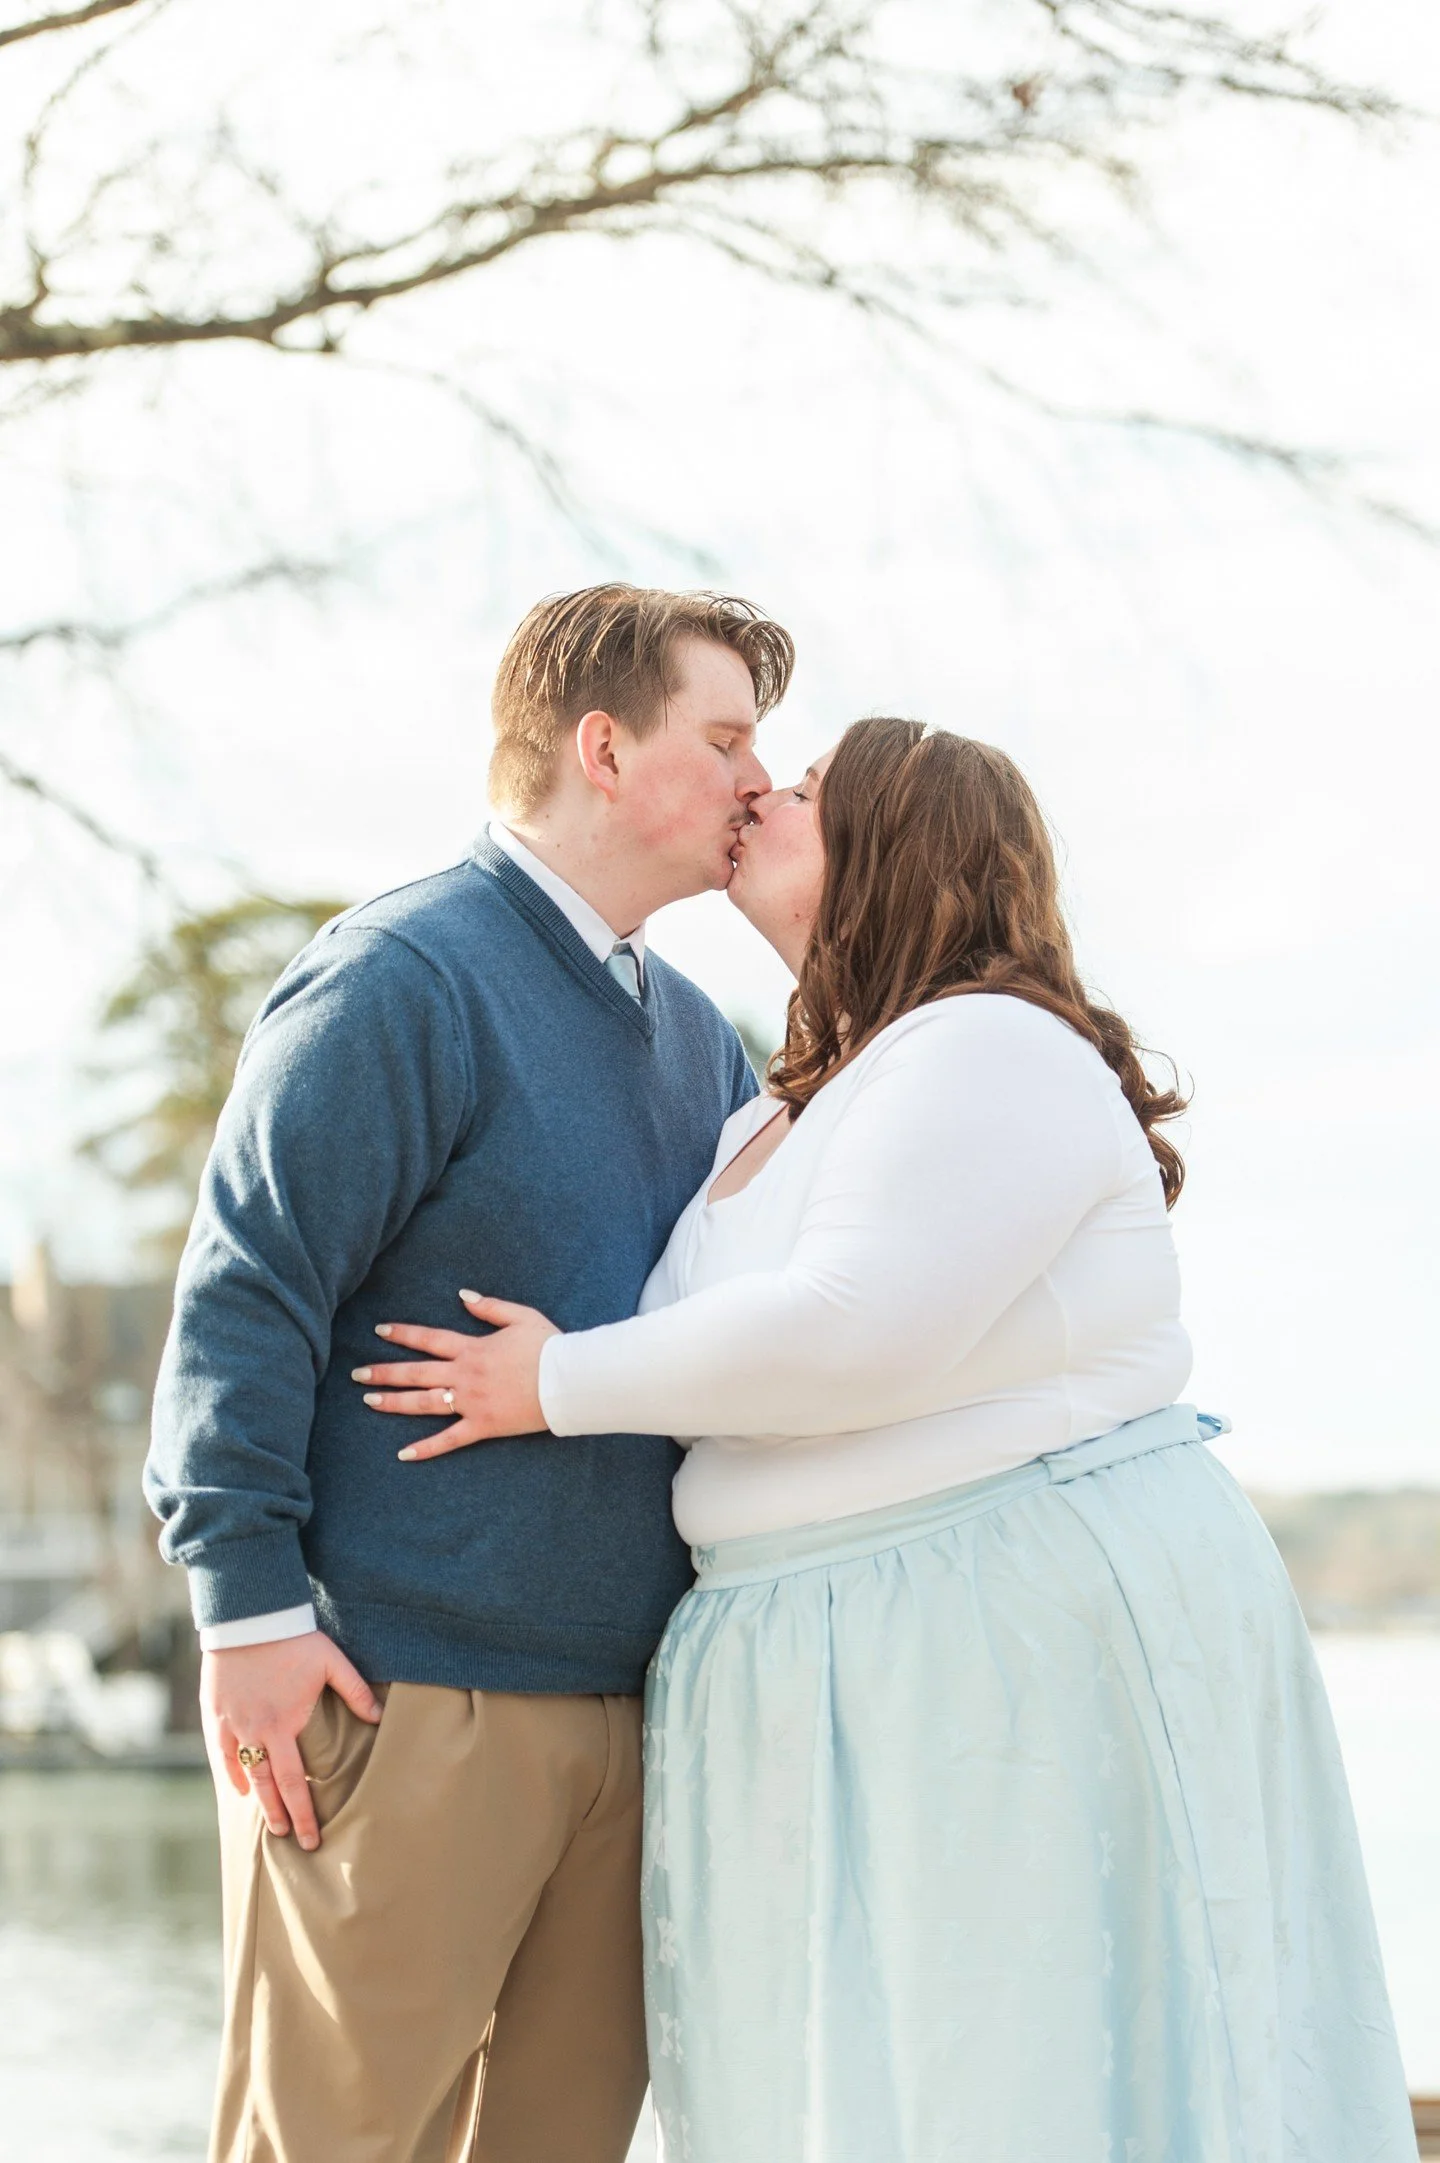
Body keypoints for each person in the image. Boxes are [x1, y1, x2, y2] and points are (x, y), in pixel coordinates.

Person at [363, 718, 1417, 2163]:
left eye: (802, 788)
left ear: (896, 848)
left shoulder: (990, 1044)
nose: (757, 791)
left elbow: (853, 1330)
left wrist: (553, 1381)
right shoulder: (790, 1098)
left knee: (1002, 2076)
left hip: (994, 1635)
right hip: (826, 1652)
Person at [143, 582, 794, 2163]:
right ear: (602, 748)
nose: (759, 780)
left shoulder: (698, 1036)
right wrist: (247, 1612)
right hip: (401, 1697)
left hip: (632, 1716)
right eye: (724, 739)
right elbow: (246, 1290)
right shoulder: (405, 977)